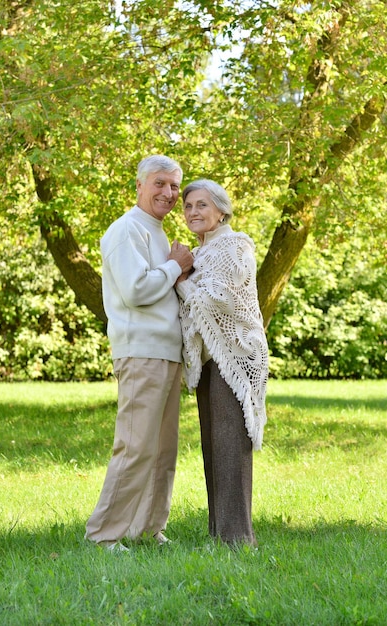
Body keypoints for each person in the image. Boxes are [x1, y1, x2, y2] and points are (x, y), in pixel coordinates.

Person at [85, 155, 194, 552]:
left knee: (163, 449)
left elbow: (163, 286)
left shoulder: (158, 233)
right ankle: (104, 534)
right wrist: (173, 266)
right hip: (141, 352)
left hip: (167, 353)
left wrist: (175, 269)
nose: (169, 193)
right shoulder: (125, 230)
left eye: (174, 187)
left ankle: (148, 527)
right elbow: (135, 291)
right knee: (135, 446)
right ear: (140, 185)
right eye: (160, 184)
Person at [175, 179, 268, 546]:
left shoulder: (233, 246)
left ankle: (239, 538)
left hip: (236, 356)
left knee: (231, 448)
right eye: (188, 207)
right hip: (212, 359)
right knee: (214, 447)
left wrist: (180, 279)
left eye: (201, 205)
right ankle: (220, 533)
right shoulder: (201, 252)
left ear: (221, 210)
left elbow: (217, 300)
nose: (194, 212)